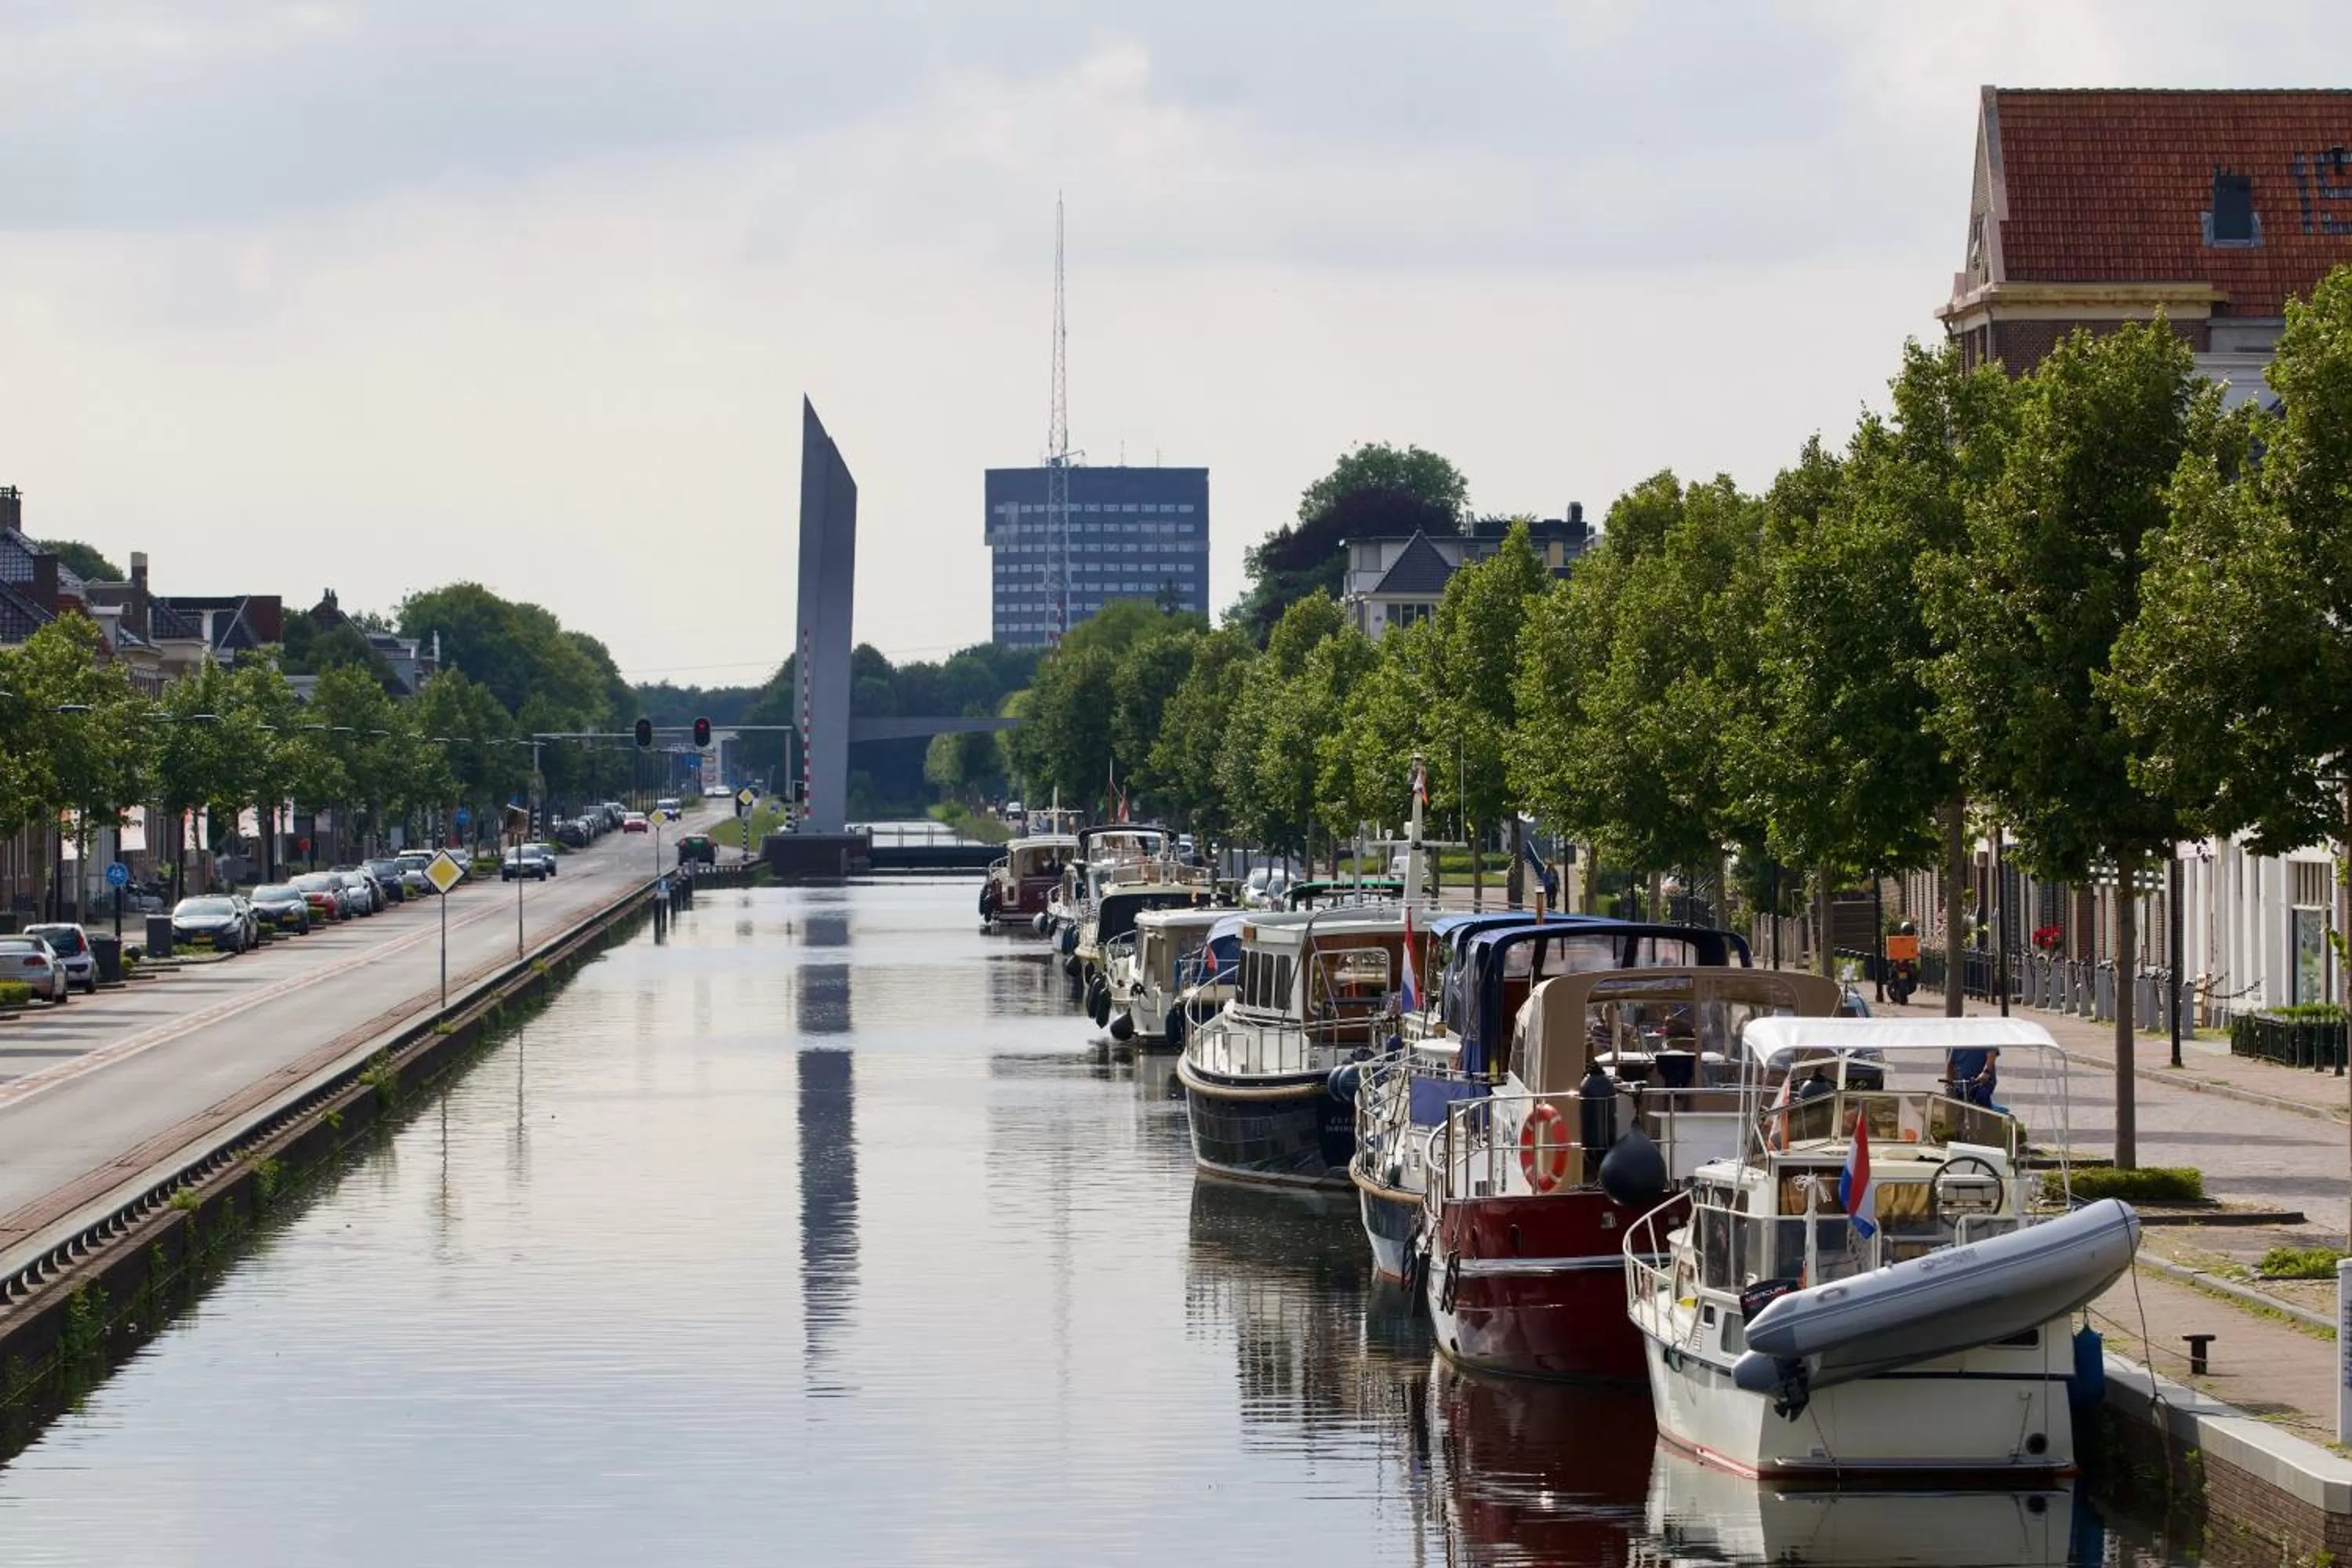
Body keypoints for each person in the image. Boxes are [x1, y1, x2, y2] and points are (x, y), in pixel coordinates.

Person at [1946, 1043, 1999, 1107]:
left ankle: (1986, 1116)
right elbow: (1950, 1065)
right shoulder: (1957, 1042)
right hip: (1963, 1084)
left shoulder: (1985, 1037)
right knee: (1954, 1104)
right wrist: (1950, 1085)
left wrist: (1986, 1072)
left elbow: (1991, 1055)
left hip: (1982, 1082)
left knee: (1982, 1096)